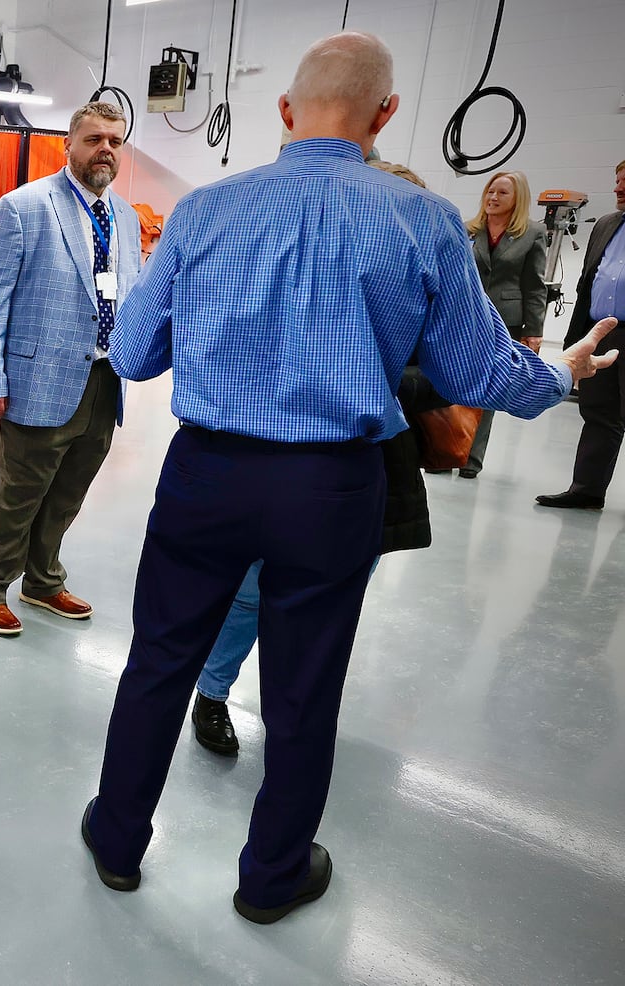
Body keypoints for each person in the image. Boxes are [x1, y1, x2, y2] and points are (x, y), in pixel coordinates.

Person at [81, 32, 619, 926]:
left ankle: (117, 842)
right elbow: (481, 375)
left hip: (205, 473)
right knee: (303, 686)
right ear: (385, 116)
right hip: (331, 487)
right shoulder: (420, 219)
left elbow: (135, 352)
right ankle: (271, 877)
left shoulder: (207, 210)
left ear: (285, 113)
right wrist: (564, 373)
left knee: (159, 660)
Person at [188, 160, 441, 758]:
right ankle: (213, 691)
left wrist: (372, 382)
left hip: (378, 471)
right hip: (286, 467)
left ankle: (293, 719)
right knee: (251, 592)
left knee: (330, 608)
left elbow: (446, 372)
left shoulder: (424, 275)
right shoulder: (317, 271)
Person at [0, 100, 141, 637]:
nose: (105, 149)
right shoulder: (23, 207)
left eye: (114, 140)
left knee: (68, 494)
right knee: (21, 493)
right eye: (94, 139)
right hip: (38, 379)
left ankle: (41, 581)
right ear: (69, 144)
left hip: (106, 377)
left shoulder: (127, 218)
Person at [536, 158, 625, 510]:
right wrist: (575, 343)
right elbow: (587, 284)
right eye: (617, 180)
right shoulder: (606, 224)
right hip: (601, 331)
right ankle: (587, 489)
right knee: (598, 412)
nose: (617, 188)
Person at [454, 169, 547, 479]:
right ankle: (447, 449)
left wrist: (533, 331)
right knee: (450, 384)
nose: (493, 197)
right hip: (465, 315)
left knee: (489, 386)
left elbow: (535, 287)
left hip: (506, 321)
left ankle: (471, 458)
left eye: (502, 193)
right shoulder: (468, 229)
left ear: (517, 198)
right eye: (490, 191)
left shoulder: (532, 233)